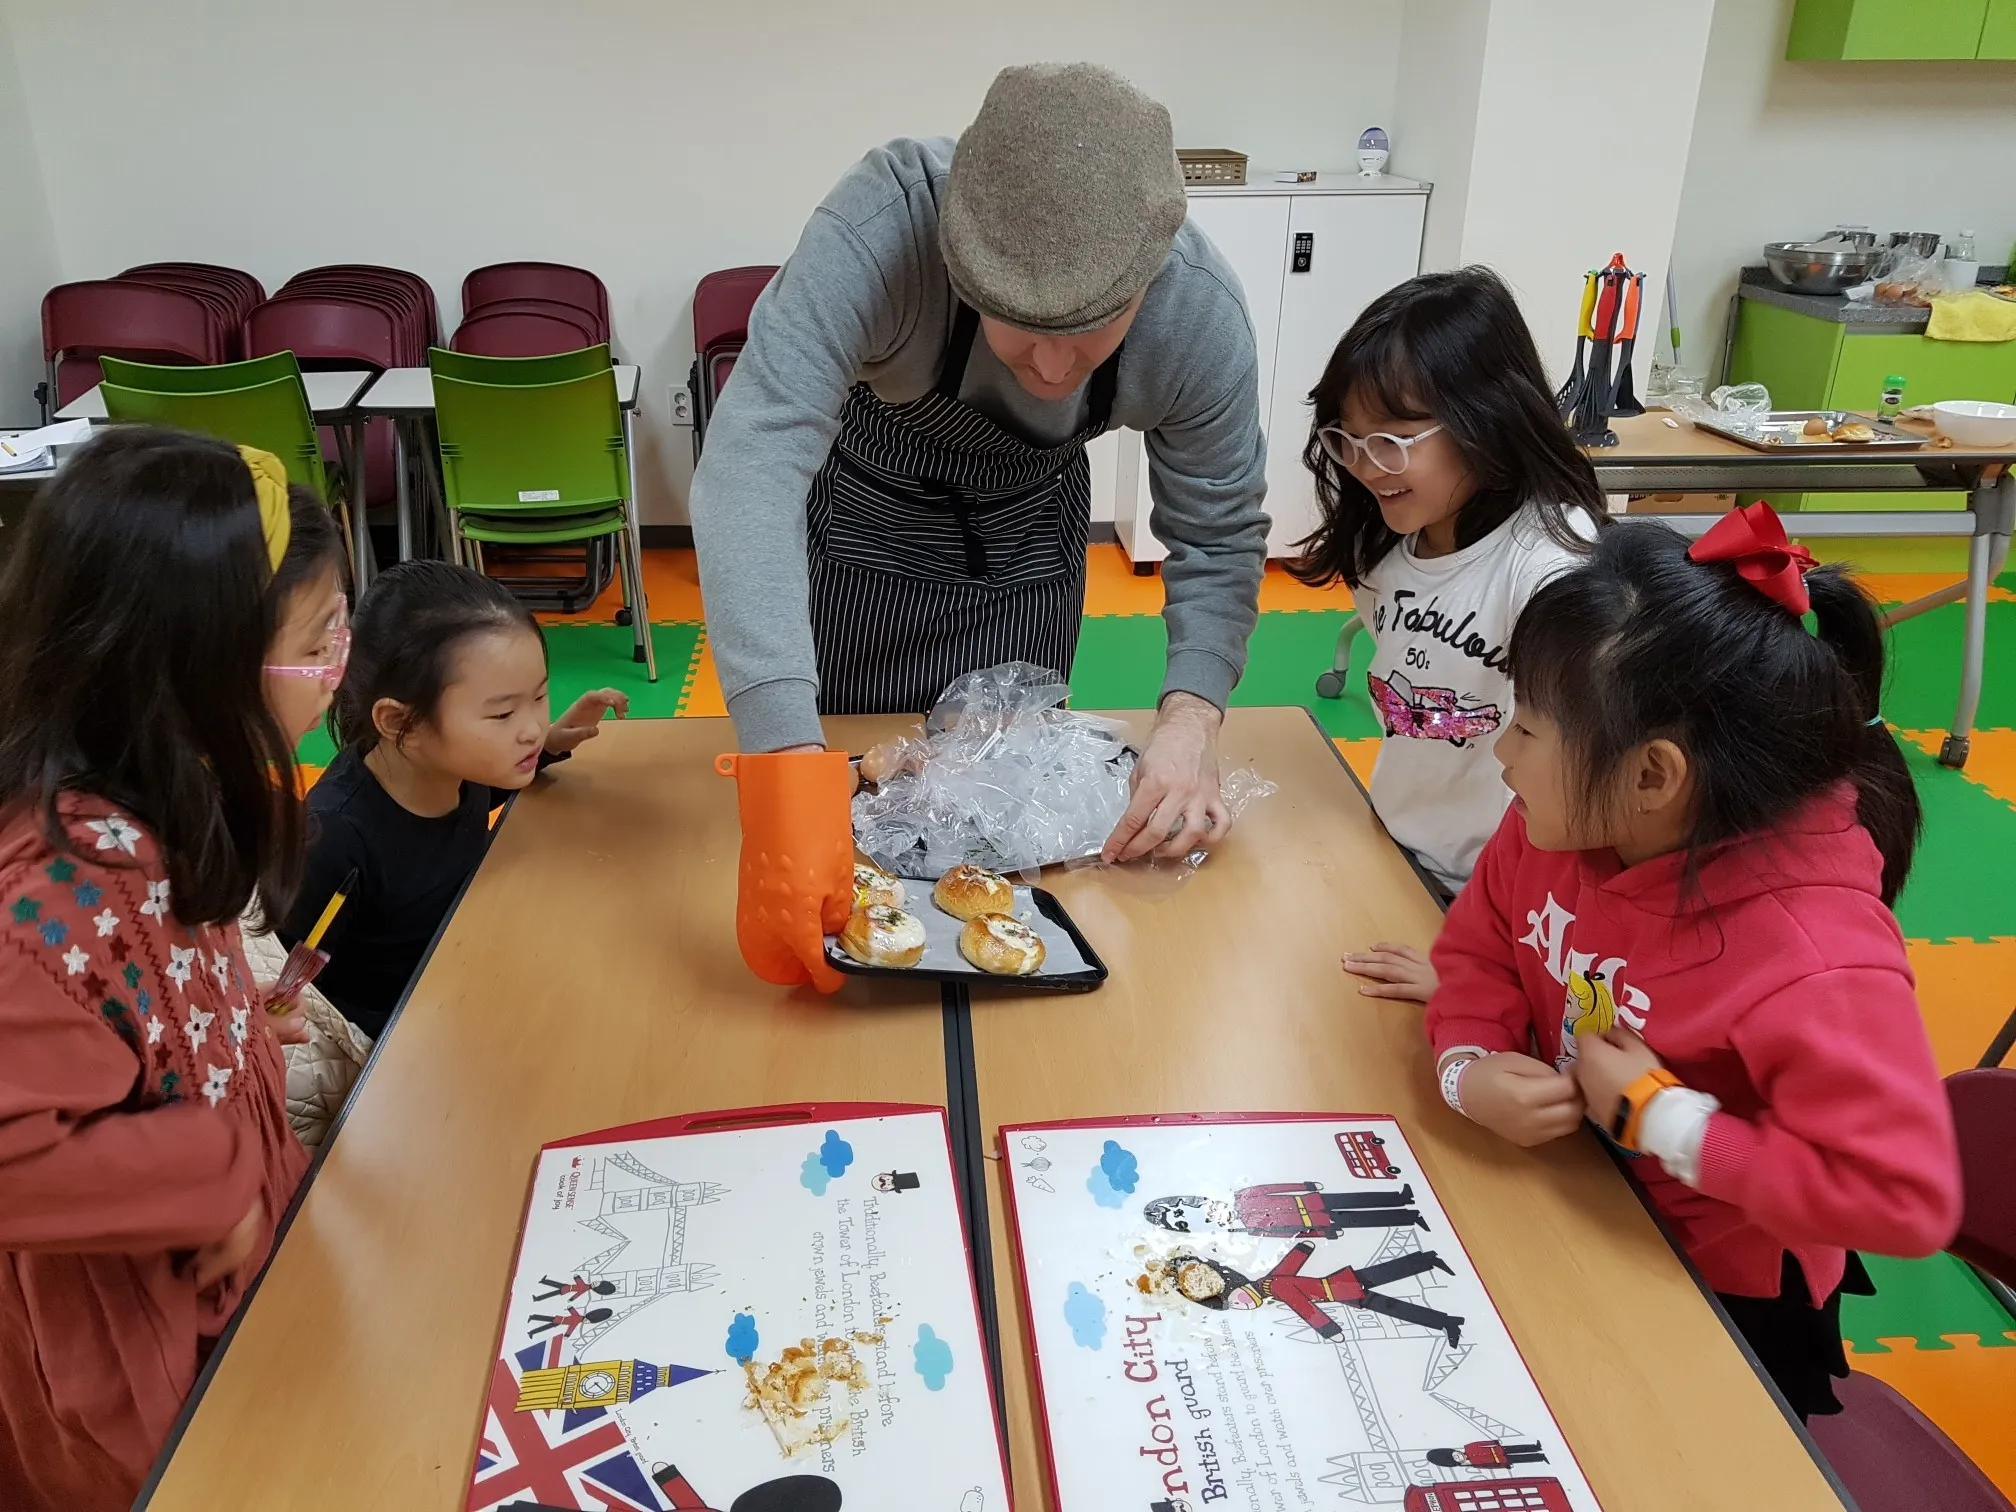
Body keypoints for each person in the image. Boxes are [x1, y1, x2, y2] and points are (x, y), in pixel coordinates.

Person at [691, 63, 1270, 991]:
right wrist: (784, 758)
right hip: (865, 536)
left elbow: (1220, 531)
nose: (1051, 367)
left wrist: (1190, 719)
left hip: (1027, 547)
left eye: (1091, 328)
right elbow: (751, 458)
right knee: (856, 811)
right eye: (1017, 322)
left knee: (1005, 835)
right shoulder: (884, 226)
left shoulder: (1199, 315)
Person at [1424, 507, 1961, 1418]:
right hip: (1572, 1204)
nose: (1501, 753)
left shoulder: (1812, 954)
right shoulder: (1559, 821)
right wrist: (1466, 1064)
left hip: (1722, 1295)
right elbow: (1481, 946)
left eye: (1529, 729)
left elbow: (1902, 1198)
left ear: (1652, 775)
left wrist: (1662, 1117)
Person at [0, 430, 345, 1510]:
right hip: (136, 1338)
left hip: (231, 1257)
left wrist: (230, 1018)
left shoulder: (161, 783)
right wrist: (202, 1172)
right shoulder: (59, 880)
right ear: (193, 660)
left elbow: (116, 1007)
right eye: (320, 637)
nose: (339, 661)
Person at [1284, 269, 1605, 1001]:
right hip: (1402, 855)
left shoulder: (1550, 568)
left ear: (1485, 419)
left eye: (1395, 441)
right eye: (1348, 440)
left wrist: (1481, 965)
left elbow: (1588, 804)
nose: (1367, 467)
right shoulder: (1388, 546)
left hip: (1512, 912)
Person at [282, 562, 625, 1038]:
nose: (529, 727)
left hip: (472, 967)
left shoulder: (454, 768)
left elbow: (484, 795)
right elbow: (292, 987)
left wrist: (547, 745)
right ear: (400, 723)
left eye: (539, 697)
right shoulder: (334, 839)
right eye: (502, 714)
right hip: (403, 1038)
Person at [1169, 1243, 1464, 1346]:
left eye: (1240, 1302)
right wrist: (1303, 1250)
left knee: (1387, 1300)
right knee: (1386, 1293)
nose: (1241, 1305)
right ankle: (1444, 1313)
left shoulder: (1276, 1289)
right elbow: (1286, 1267)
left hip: (1334, 1288)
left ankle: (1430, 1268)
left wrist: (1328, 1330)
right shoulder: (1269, 1284)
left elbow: (1302, 1306)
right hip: (1335, 1289)